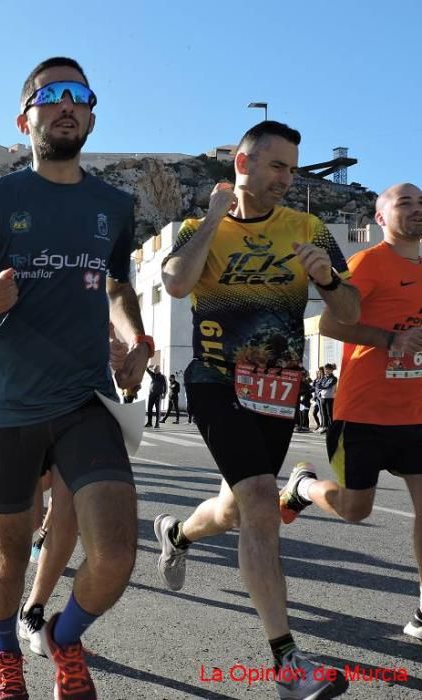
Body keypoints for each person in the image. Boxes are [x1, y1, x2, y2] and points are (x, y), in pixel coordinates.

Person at [0, 57, 151, 700]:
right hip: (9, 405)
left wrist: (136, 336)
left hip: (86, 398)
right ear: (24, 117)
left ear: (90, 112)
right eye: (49, 94)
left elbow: (117, 284)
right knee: (7, 552)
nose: (65, 104)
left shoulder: (114, 205)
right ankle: (6, 654)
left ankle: (64, 634)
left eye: (78, 94)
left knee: (114, 554)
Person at [153, 120, 358, 699]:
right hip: (216, 382)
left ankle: (178, 534)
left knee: (238, 509)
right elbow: (173, 283)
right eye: (277, 166)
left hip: (278, 387)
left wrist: (327, 279)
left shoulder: (309, 227)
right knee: (263, 507)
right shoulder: (199, 228)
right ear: (243, 166)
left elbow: (348, 305)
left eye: (292, 168)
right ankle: (288, 665)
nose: (287, 179)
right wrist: (215, 218)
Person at [278, 182, 422, 641]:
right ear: (381, 218)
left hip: (416, 414)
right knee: (356, 510)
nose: (417, 209)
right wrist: (390, 340)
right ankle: (303, 486)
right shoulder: (368, 263)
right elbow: (331, 321)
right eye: (405, 203)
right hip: (363, 413)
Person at [318, 363, 338, 433]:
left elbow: (327, 386)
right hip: (323, 397)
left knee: (330, 414)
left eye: (328, 369)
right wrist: (321, 382)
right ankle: (325, 427)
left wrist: (321, 385)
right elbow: (318, 384)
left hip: (330, 397)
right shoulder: (324, 377)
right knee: (323, 413)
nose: (326, 371)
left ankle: (332, 428)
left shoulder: (334, 378)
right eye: (325, 369)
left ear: (331, 370)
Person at [310, 366, 325, 431]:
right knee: (314, 413)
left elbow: (320, 388)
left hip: (321, 398)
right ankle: (319, 425)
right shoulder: (316, 380)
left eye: (320, 372)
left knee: (322, 413)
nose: (318, 373)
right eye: (318, 372)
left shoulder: (323, 379)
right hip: (316, 398)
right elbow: (313, 388)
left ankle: (323, 425)